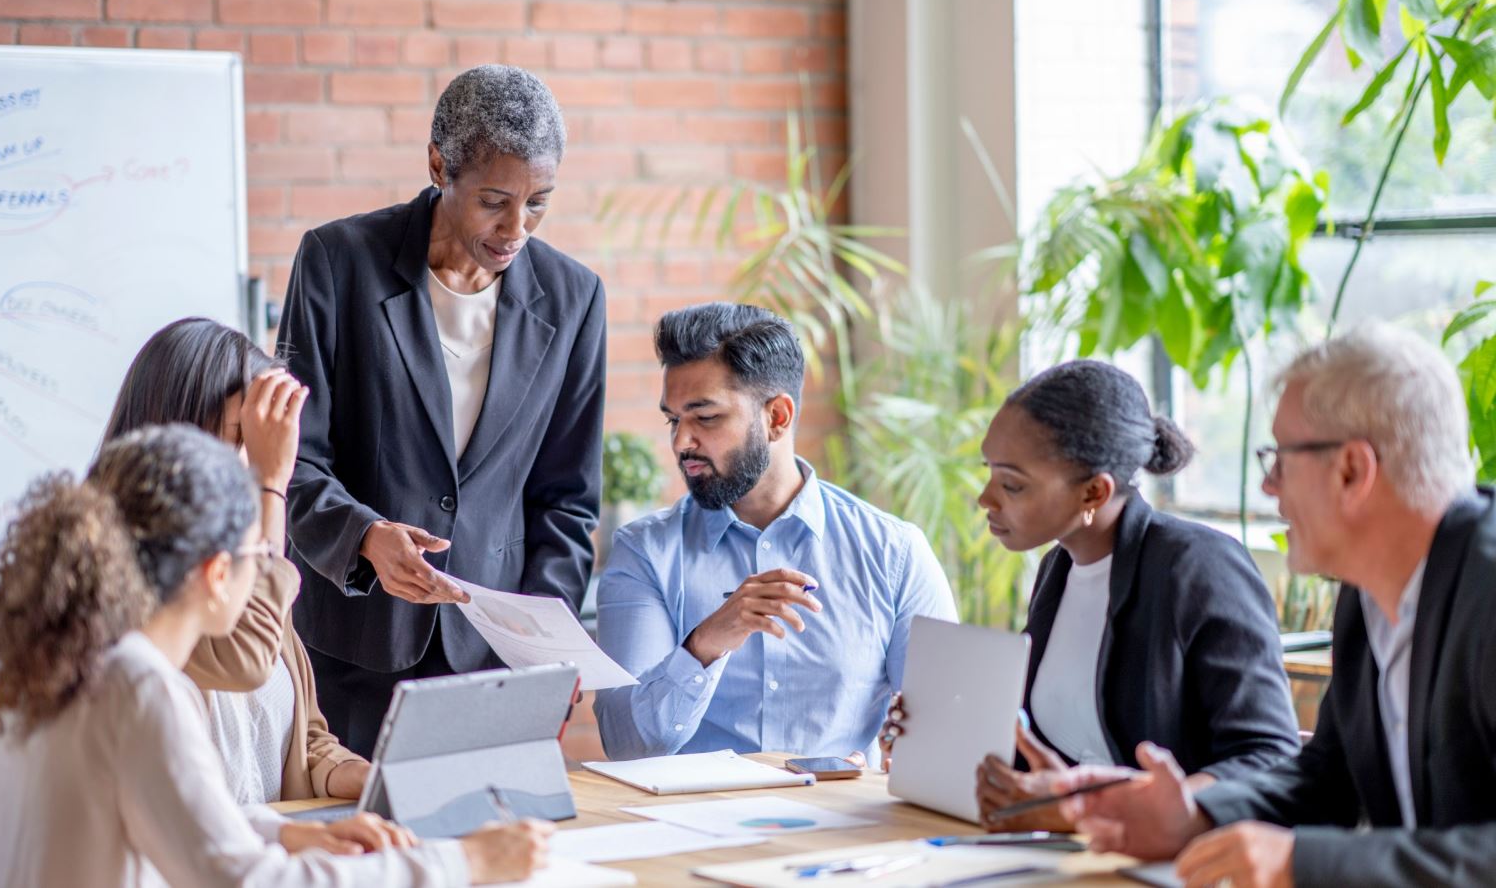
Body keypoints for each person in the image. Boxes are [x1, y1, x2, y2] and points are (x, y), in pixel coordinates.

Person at [0, 424, 552, 887]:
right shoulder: (139, 686)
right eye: (261, 553)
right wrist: (466, 865)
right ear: (218, 574)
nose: (278, 576)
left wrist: (280, 833)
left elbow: (177, 816)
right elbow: (243, 881)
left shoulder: (80, 664)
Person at [1055, 324, 1496, 887]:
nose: (1268, 487)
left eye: (1281, 460)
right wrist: (1197, 815)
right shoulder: (1367, 594)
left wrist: (1300, 862)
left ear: (1352, 471)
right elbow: (1328, 777)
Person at [279, 64, 605, 756]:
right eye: (495, 200)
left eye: (539, 203)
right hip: (357, 650)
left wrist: (547, 638)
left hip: (494, 659)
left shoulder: (574, 298)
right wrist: (365, 536)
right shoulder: (337, 262)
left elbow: (568, 499)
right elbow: (292, 459)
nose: (517, 228)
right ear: (438, 165)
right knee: (365, 855)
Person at [880, 359, 1298, 831]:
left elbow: (1269, 759)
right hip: (1076, 855)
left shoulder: (1199, 567)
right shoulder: (1058, 570)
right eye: (990, 473)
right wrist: (938, 739)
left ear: (1094, 493)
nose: (985, 498)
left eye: (1011, 484)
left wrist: (1091, 805)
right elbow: (1058, 752)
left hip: (1177, 865)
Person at [593, 303, 958, 761]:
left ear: (777, 417)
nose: (681, 443)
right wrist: (705, 644)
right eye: (674, 420)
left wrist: (896, 757)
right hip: (698, 828)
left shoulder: (894, 553)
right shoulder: (644, 552)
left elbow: (948, 736)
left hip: (840, 826)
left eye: (705, 418)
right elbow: (627, 746)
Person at [101, 317, 369, 802]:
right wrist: (271, 483)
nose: (250, 459)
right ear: (179, 431)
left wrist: (357, 776)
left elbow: (305, 737)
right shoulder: (120, 568)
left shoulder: (237, 551)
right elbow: (245, 662)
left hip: (265, 846)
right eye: (240, 437)